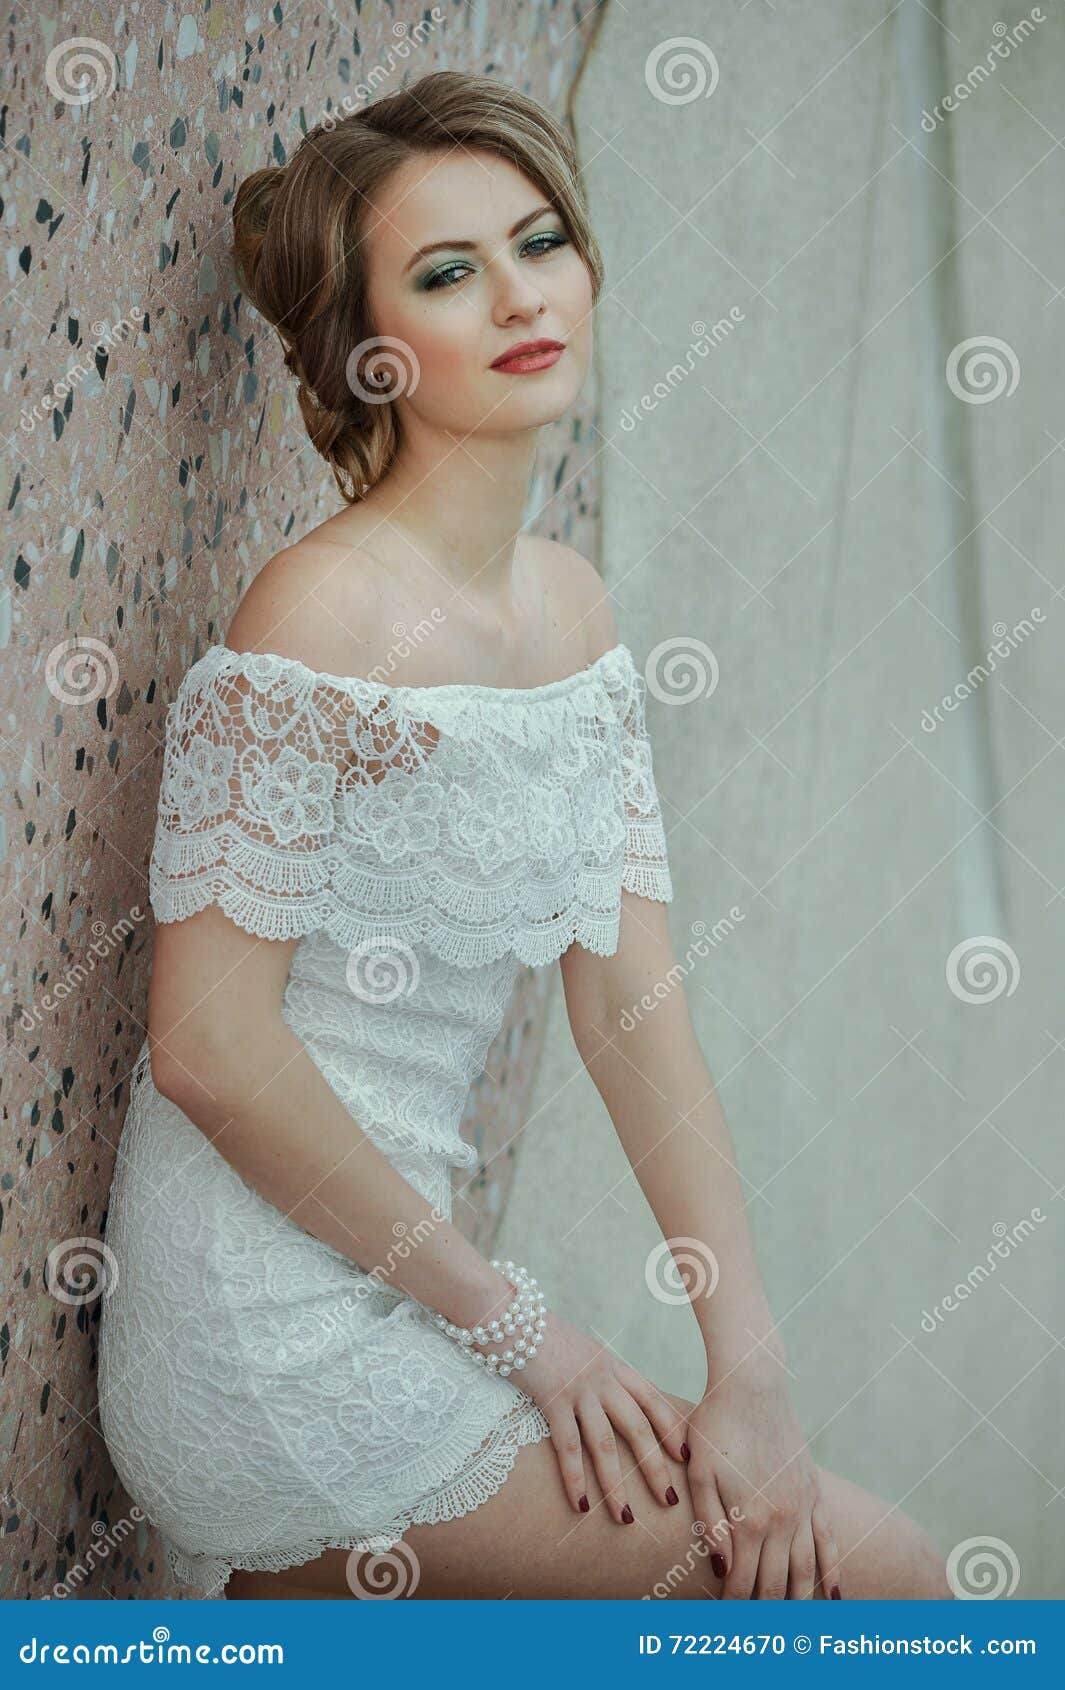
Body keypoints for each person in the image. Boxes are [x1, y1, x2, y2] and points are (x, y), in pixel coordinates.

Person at [98, 70, 950, 1602]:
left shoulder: (570, 609)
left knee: (796, 1544)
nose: (515, 294)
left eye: (538, 240)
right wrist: (522, 1335)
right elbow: (208, 1048)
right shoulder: (322, 613)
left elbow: (636, 1015)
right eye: (445, 273)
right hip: (274, 1323)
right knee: (875, 1582)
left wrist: (743, 1361)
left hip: (424, 1293)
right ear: (371, 354)